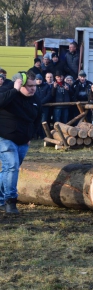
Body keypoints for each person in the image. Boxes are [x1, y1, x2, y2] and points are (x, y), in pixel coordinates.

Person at [0, 70, 41, 214]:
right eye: (29, 86)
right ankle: (10, 201)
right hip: (6, 137)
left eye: (34, 86)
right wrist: (14, 90)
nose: (32, 89)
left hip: (23, 140)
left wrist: (31, 135)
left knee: (8, 169)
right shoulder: (7, 91)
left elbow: (37, 118)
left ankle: (1, 198)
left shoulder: (35, 98)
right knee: (12, 166)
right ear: (20, 83)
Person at [34, 74, 52, 138]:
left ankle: (43, 135)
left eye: (40, 79)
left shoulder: (46, 86)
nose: (39, 81)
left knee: (43, 121)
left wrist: (41, 102)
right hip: (35, 107)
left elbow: (49, 96)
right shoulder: (33, 86)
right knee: (36, 121)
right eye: (37, 79)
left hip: (44, 107)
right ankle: (35, 136)